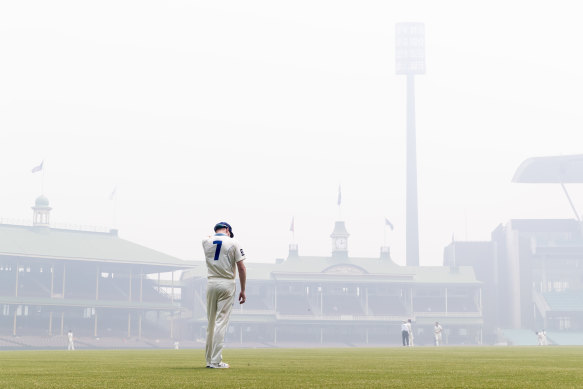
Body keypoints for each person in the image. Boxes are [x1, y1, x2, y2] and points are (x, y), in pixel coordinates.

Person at [202, 222, 246, 369]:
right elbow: (241, 267)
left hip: (211, 282)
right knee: (221, 323)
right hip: (226, 282)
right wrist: (243, 290)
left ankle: (209, 360)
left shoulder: (206, 241)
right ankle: (215, 361)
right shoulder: (233, 242)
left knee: (211, 323)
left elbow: (210, 238)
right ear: (227, 230)